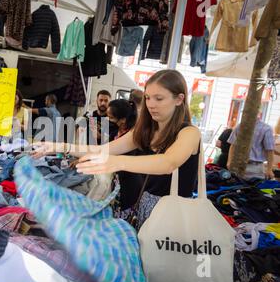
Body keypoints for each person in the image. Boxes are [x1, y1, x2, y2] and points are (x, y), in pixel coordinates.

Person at [33, 69, 201, 229]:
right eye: (148, 98)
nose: (151, 104)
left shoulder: (190, 133)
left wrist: (117, 162)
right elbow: (104, 150)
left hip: (173, 215)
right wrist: (60, 146)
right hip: (143, 209)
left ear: (179, 99)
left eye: (159, 98)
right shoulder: (146, 131)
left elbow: (167, 163)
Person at [227, 114, 275, 180]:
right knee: (236, 188)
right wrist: (229, 161)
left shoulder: (266, 128)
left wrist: (269, 169)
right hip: (238, 165)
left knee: (252, 188)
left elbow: (270, 150)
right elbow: (233, 145)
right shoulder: (240, 126)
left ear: (259, 114)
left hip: (255, 167)